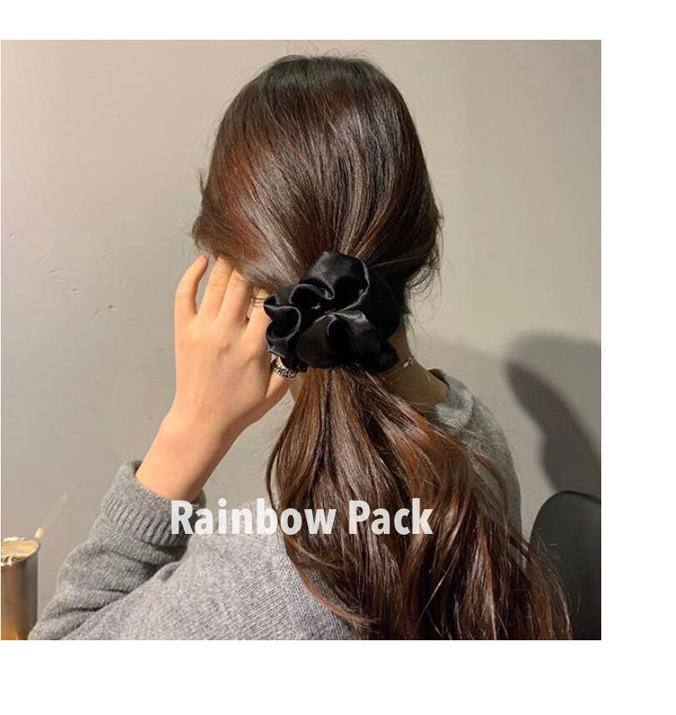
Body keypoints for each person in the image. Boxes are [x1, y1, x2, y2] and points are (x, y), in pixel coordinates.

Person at [30, 55, 570, 640]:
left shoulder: (267, 579)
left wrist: (189, 431)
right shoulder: (475, 433)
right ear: (419, 235)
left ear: (238, 273)